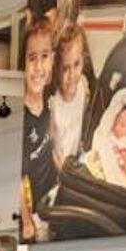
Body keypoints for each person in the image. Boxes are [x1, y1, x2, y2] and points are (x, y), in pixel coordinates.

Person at [19, 17, 56, 241]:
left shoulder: (50, 96)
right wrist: (26, 223)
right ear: (23, 63)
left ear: (52, 59)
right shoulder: (21, 118)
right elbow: (17, 178)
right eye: (32, 58)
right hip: (33, 212)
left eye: (44, 57)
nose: (39, 67)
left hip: (51, 200)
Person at [84, 87, 126, 191]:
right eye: (115, 122)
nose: (117, 127)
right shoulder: (108, 137)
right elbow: (98, 149)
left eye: (122, 125)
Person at [49, 23, 90, 168]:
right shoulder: (54, 103)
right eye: (65, 68)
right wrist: (62, 171)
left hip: (78, 160)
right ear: (56, 68)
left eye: (77, 64)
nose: (72, 75)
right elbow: (51, 147)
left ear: (83, 59)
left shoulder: (83, 85)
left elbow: (84, 120)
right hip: (61, 167)